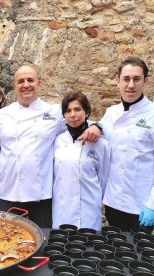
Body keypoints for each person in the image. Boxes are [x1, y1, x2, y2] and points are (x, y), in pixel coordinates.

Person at [0, 64, 101, 228]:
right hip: (9, 192)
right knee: (9, 241)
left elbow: (78, 121)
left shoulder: (54, 112)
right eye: (21, 81)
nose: (26, 84)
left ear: (39, 84)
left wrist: (97, 127)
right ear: (15, 86)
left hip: (42, 195)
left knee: (42, 241)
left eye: (30, 80)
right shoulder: (2, 115)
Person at [100, 56, 154, 231]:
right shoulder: (111, 113)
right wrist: (95, 128)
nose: (131, 85)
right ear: (118, 82)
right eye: (126, 79)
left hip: (143, 205)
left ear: (145, 81)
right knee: (117, 251)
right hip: (113, 203)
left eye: (137, 79)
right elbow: (99, 134)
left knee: (142, 255)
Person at [52, 92, 110, 231]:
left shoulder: (101, 144)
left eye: (77, 109)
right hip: (62, 210)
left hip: (87, 210)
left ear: (87, 112)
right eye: (68, 111)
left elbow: (103, 178)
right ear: (64, 115)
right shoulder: (58, 140)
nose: (73, 115)